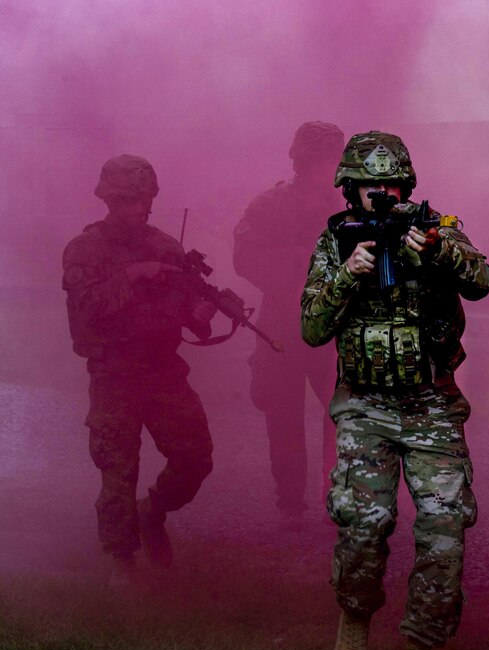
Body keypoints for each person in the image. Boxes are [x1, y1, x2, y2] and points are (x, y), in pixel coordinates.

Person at [301, 131, 489, 650]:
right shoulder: (336, 241)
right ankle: (354, 624)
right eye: (367, 184)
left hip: (430, 402)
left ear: (404, 184)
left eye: (389, 182)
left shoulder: (436, 228)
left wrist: (438, 250)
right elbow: (311, 329)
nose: (379, 192)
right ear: (349, 188)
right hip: (365, 405)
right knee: (365, 522)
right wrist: (348, 275)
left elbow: (480, 281)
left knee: (445, 526)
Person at [62, 155, 218, 577]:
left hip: (163, 370)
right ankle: (122, 562)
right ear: (110, 200)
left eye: (145, 200)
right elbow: (85, 310)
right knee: (117, 471)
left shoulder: (166, 246)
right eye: (130, 200)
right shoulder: (85, 250)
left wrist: (200, 316)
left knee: (195, 457)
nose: (140, 209)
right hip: (114, 373)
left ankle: (154, 511)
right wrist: (133, 275)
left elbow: (185, 312)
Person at [233, 121, 343, 518]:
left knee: (345, 414)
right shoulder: (270, 206)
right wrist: (296, 262)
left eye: (332, 161)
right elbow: (244, 258)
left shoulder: (351, 210)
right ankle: (290, 502)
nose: (324, 170)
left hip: (334, 330)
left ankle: (340, 498)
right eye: (318, 160)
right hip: (282, 326)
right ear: (300, 161)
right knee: (283, 418)